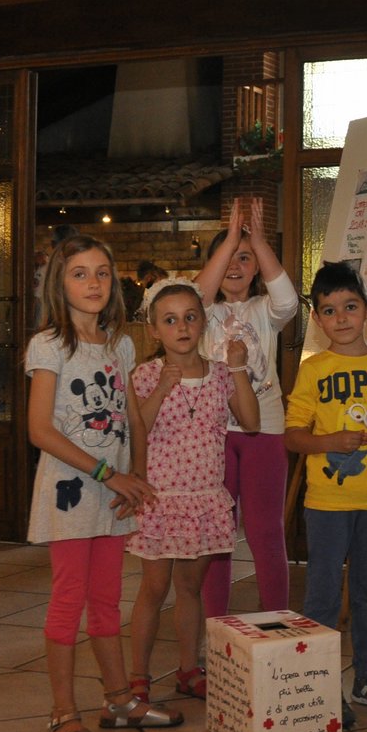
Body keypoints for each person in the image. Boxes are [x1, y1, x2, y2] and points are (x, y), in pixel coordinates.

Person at [24, 233, 175, 732]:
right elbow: (41, 430)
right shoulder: (48, 345)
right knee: (69, 599)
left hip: (113, 493)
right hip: (71, 494)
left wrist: (138, 474)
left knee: (107, 600)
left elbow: (131, 415)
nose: (93, 283)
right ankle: (63, 713)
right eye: (79, 273)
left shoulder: (120, 343)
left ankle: (118, 699)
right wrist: (111, 474)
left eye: (102, 273)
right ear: (58, 284)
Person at [285, 262, 367, 729]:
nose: (341, 318)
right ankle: (318, 685)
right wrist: (329, 443)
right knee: (320, 597)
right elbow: (293, 437)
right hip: (327, 505)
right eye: (329, 311)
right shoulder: (313, 371)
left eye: (350, 307)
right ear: (317, 320)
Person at [125, 282, 259, 703]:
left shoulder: (220, 374)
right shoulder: (144, 376)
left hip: (202, 498)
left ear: (203, 323)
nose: (181, 327)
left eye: (190, 317)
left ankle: (188, 668)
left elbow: (252, 423)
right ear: (154, 332)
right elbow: (136, 430)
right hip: (160, 499)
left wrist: (238, 369)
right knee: (153, 587)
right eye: (170, 320)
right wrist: (163, 388)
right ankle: (138, 676)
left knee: (189, 587)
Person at [194, 198, 302, 619]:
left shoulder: (264, 311)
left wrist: (256, 240)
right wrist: (234, 239)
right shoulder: (201, 314)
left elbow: (288, 300)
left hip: (265, 432)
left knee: (265, 533)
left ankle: (276, 624)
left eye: (245, 259)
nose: (235, 266)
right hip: (213, 434)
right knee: (218, 536)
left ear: (257, 267)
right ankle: (216, 628)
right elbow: (196, 293)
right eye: (227, 258)